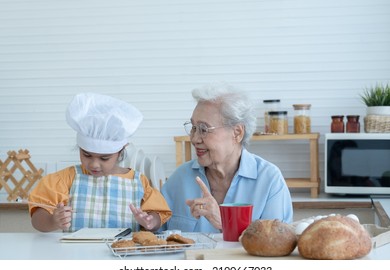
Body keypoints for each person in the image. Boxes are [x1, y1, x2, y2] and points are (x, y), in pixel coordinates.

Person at [28, 93, 172, 232]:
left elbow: (157, 216)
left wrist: (150, 221)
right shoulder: (66, 179)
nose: (94, 164)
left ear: (120, 152)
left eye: (104, 158)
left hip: (123, 255)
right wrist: (53, 221)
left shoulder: (138, 181)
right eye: (87, 155)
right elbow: (38, 217)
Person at [161, 82, 293, 233]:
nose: (195, 138)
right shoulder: (179, 179)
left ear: (237, 132)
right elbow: (156, 237)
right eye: (193, 128)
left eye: (204, 129)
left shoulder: (269, 180)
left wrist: (225, 223)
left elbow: (276, 245)